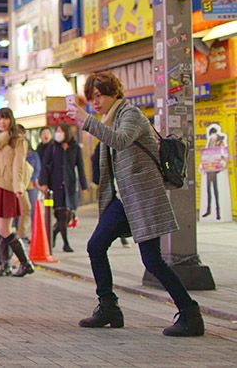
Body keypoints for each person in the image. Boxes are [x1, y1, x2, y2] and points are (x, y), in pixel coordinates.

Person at [68, 71, 204, 337]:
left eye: (100, 95)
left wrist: (87, 121)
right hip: (124, 200)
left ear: (114, 93)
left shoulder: (130, 115)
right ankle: (108, 307)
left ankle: (190, 313)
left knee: (152, 261)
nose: (96, 102)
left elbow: (119, 139)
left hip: (142, 197)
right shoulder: (109, 118)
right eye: (91, 98)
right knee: (96, 246)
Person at [0, 108, 34, 278]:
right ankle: (6, 265)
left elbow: (18, 165)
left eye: (5, 119)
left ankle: (26, 263)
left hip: (8, 187)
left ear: (11, 120)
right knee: (0, 228)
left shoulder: (17, 140)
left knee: (5, 229)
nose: (2, 122)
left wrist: (18, 187)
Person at [39, 123, 88, 253]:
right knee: (61, 214)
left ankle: (54, 234)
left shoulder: (75, 148)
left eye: (61, 131)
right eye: (57, 131)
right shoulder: (52, 147)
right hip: (56, 186)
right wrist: (43, 182)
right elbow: (44, 166)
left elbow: (81, 167)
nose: (58, 133)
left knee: (68, 216)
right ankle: (66, 243)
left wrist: (84, 185)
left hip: (70, 186)